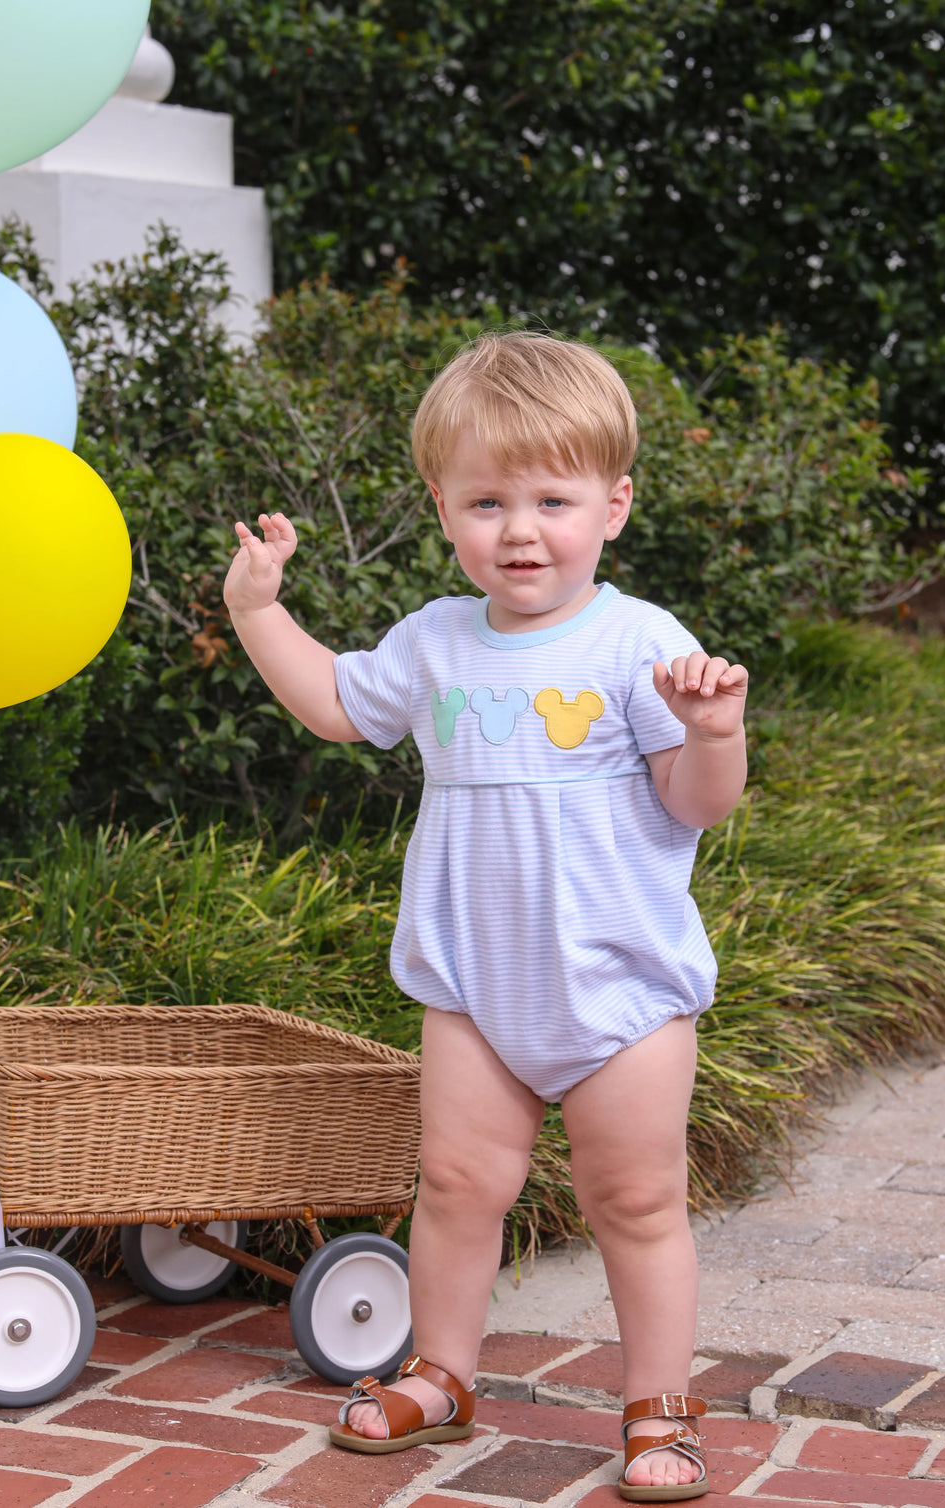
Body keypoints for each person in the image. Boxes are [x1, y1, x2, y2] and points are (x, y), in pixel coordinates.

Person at [223, 331, 748, 1503]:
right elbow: (334, 707)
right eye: (488, 500)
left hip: (621, 987)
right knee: (457, 1186)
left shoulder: (639, 642)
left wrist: (714, 734)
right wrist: (260, 614)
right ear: (442, 508)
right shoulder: (437, 641)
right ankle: (441, 1372)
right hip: (474, 983)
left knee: (637, 1201)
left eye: (554, 499)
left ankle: (661, 1410)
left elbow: (695, 806)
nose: (521, 530)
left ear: (613, 507)